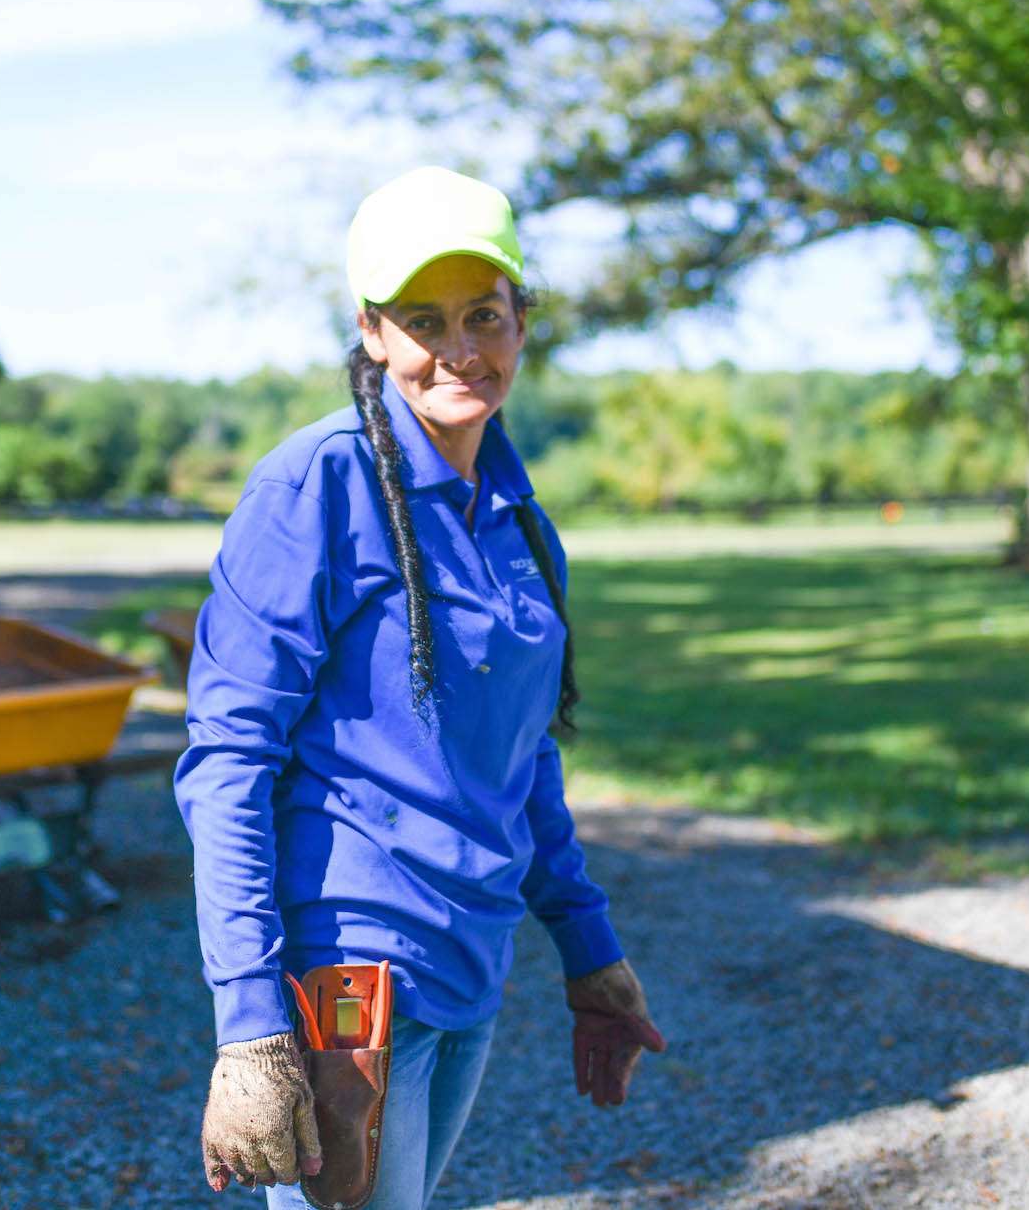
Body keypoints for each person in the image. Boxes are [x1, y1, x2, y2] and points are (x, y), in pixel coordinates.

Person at [172, 166, 666, 1209]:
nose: (460, 349)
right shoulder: (316, 486)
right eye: (423, 319)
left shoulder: (521, 513)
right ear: (373, 331)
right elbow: (227, 763)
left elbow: (523, 752)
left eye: (484, 314)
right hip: (349, 983)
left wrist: (590, 951)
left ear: (523, 321)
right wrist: (251, 1031)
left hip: (469, 965)